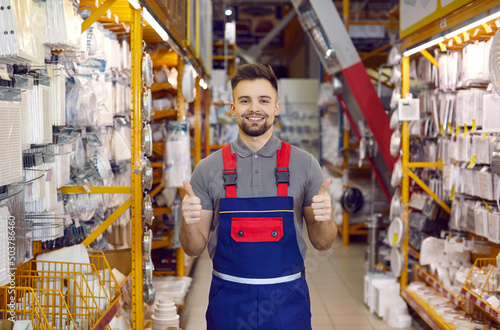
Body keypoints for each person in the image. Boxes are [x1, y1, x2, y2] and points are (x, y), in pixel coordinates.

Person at [180, 63, 337, 329]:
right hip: (229, 303)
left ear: (276, 107)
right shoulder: (207, 169)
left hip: (288, 302)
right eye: (245, 100)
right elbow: (193, 248)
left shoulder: (305, 165)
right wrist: (188, 221)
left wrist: (325, 219)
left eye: (263, 100)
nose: (254, 108)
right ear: (232, 108)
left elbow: (322, 243)